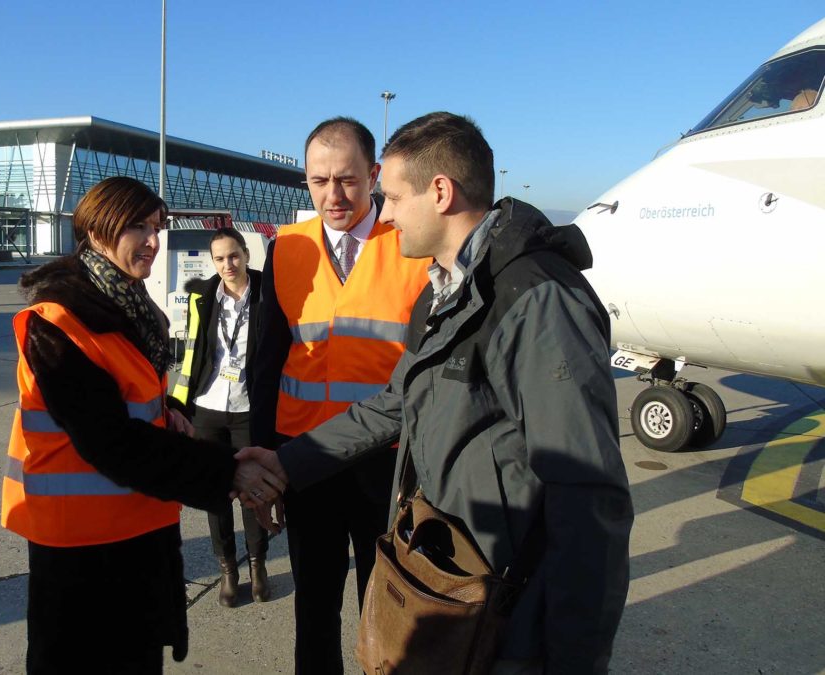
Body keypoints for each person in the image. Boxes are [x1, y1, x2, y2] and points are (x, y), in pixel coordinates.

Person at [242, 112, 633, 674]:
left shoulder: (535, 298)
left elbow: (588, 495)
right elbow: (397, 400)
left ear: (441, 192)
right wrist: (285, 461)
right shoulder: (445, 291)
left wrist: (575, 656)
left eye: (393, 196)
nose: (388, 212)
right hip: (457, 558)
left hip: (508, 587)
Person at [0, 177, 285, 674]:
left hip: (134, 537)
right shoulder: (58, 323)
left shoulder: (125, 311)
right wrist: (228, 473)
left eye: (157, 226)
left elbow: (130, 408)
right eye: (138, 226)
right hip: (80, 557)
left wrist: (166, 413)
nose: (153, 241)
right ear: (95, 229)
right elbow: (111, 443)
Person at [251, 117, 430, 674]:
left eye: (348, 181)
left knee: (387, 611)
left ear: (374, 175)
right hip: (308, 463)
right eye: (318, 181)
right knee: (314, 607)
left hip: (389, 465)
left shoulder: (411, 245)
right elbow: (264, 367)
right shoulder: (286, 250)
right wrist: (264, 467)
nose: (332, 195)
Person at [171, 227, 270, 607]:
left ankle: (258, 566)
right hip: (208, 407)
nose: (227, 265)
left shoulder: (266, 293)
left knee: (252, 493)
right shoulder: (202, 296)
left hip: (249, 409)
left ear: (246, 255)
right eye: (219, 258)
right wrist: (181, 406)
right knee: (216, 495)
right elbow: (194, 353)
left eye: (233, 256)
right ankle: (228, 570)